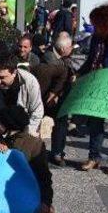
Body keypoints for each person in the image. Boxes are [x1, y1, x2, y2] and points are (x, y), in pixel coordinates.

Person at [0, 105, 55, 213]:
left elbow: (44, 176)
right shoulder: (0, 139)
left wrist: (46, 202)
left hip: (24, 195)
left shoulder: (35, 144)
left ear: (7, 125)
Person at [76, 4, 108, 173]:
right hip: (97, 84)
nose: (94, 27)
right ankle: (94, 157)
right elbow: (91, 59)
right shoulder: (96, 38)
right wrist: (79, 73)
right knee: (95, 122)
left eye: (96, 24)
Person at [31, 35, 74, 167]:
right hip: (43, 98)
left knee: (61, 122)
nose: (72, 49)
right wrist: (54, 94)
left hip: (55, 98)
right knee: (34, 123)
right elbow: (60, 77)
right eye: (70, 47)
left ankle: (57, 152)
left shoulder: (62, 58)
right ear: (62, 48)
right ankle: (32, 151)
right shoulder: (50, 59)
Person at [0, 51, 43, 135]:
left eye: (2, 77)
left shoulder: (29, 82)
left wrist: (25, 134)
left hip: (25, 131)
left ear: (14, 72)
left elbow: (37, 110)